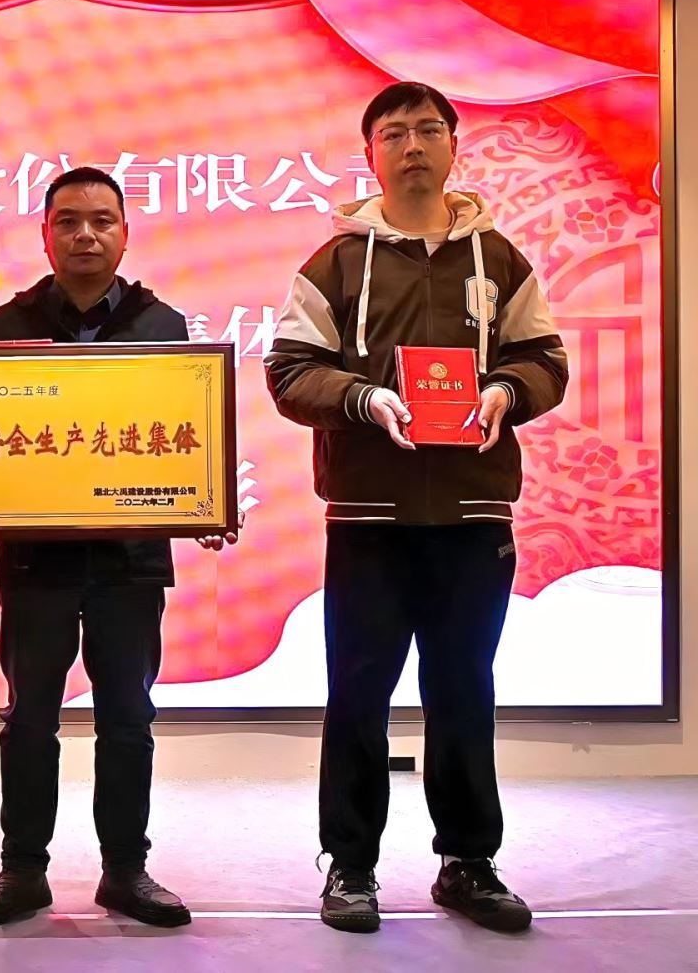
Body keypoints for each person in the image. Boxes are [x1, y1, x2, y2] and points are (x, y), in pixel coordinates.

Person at [266, 81, 568, 934]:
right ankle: (350, 865)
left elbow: (546, 359)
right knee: (358, 694)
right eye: (394, 133)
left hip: (474, 513)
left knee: (464, 689)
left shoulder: (499, 259)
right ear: (370, 154)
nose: (412, 146)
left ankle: (468, 862)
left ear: (453, 146)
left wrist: (507, 389)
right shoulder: (334, 264)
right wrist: (364, 399)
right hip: (369, 514)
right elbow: (289, 371)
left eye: (429, 129)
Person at [0, 166, 236, 928]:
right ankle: (22, 870)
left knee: (128, 718)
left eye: (101, 220)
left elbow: (186, 436)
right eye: (68, 221)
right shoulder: (6, 326)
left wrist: (207, 496)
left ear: (125, 234)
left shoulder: (163, 327)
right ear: (45, 235)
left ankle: (126, 869)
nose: (85, 234)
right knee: (29, 718)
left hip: (131, 562)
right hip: (37, 562)